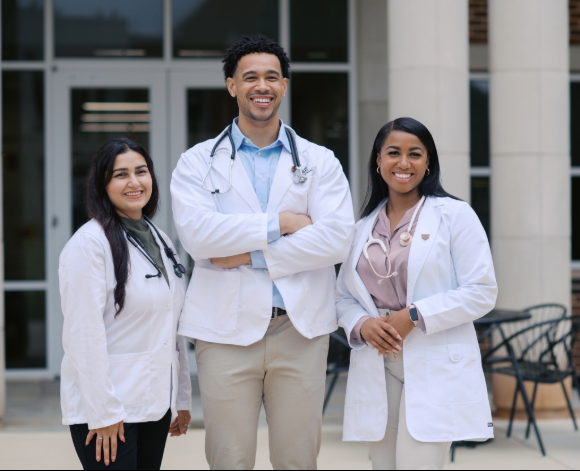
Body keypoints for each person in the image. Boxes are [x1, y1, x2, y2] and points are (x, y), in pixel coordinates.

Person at [171, 35, 355, 470]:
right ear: (232, 86)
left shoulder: (319, 160)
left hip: (299, 330)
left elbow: (337, 240)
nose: (262, 86)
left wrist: (249, 255)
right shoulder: (197, 162)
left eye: (272, 76)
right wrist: (284, 224)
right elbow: (200, 238)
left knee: (297, 461)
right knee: (229, 459)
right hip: (224, 333)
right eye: (250, 76)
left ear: (284, 86)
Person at [336, 118, 498, 470]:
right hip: (379, 362)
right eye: (393, 153)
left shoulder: (455, 215)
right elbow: (342, 297)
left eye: (415, 154)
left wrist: (414, 315)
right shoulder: (362, 227)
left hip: (433, 356)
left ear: (428, 163)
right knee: (383, 465)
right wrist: (362, 324)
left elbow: (482, 291)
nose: (404, 163)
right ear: (378, 161)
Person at [59, 138, 192, 470]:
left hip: (154, 403)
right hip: (108, 409)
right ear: (102, 185)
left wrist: (180, 399)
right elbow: (82, 337)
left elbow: (173, 328)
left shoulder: (159, 238)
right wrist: (103, 413)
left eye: (141, 171)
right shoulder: (89, 244)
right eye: (121, 175)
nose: (134, 182)